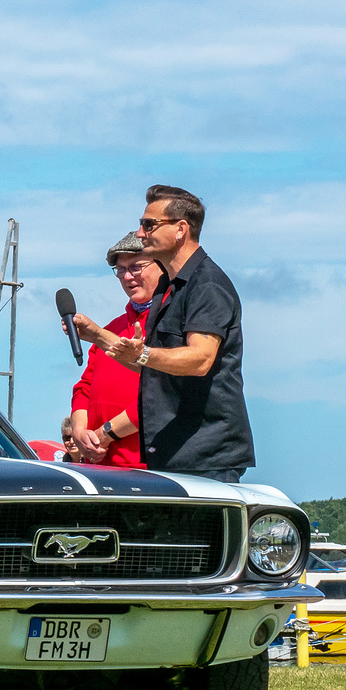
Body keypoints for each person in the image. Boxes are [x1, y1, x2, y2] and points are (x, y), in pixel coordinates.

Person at [75, 186, 254, 482]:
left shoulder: (207, 285)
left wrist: (142, 354)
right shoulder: (169, 290)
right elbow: (150, 368)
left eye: (148, 224)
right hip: (171, 455)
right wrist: (97, 335)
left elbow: (200, 359)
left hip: (204, 459)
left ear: (181, 229)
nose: (141, 233)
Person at [68, 234, 162, 466]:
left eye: (136, 267)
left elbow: (164, 393)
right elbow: (84, 389)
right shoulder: (112, 328)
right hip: (99, 466)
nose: (128, 276)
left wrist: (105, 435)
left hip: (145, 467)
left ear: (162, 266)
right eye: (121, 270)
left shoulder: (169, 325)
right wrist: (80, 433)